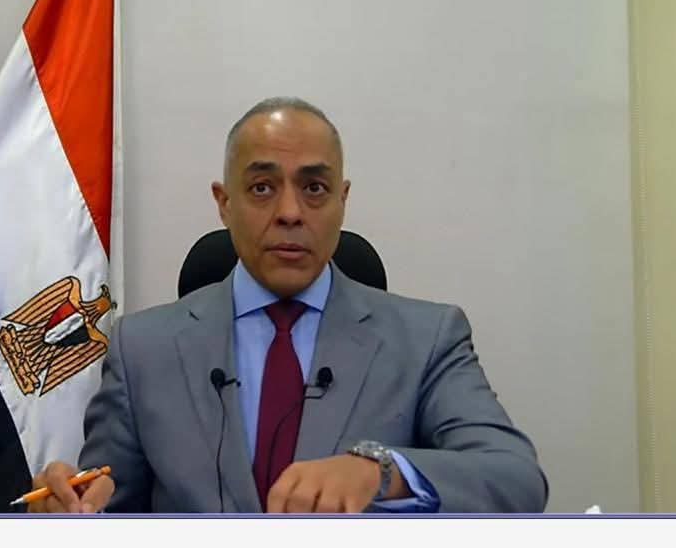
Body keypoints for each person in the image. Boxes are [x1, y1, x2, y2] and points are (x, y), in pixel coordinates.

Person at [28, 97, 548, 514]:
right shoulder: (142, 349)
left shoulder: (426, 338)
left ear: (343, 200)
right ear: (224, 203)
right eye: (261, 188)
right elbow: (108, 503)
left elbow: (516, 477)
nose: (290, 212)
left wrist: (381, 472)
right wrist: (69, 508)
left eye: (314, 188)